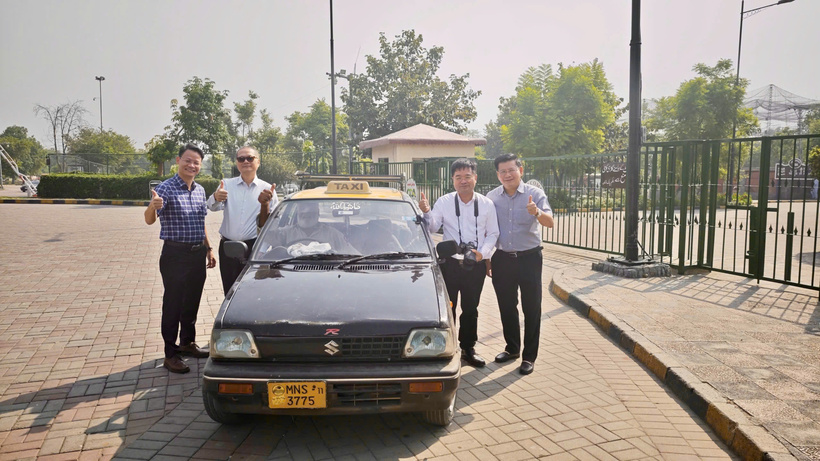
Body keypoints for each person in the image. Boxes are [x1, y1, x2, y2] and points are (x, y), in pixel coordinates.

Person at [418, 158, 499, 368]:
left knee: (471, 308)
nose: (463, 181)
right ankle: (448, 348)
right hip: (450, 264)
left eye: (467, 176)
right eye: (458, 177)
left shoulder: (486, 204)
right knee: (448, 307)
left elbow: (493, 234)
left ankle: (468, 349)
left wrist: (482, 254)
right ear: (452, 180)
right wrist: (426, 211)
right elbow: (433, 227)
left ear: (475, 178)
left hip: (475, 263)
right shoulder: (444, 201)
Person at [144, 143, 217, 374]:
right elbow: (149, 220)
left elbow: (201, 221)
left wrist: (209, 248)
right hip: (175, 254)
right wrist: (151, 206)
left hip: (197, 253)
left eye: (196, 162)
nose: (192, 165)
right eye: (188, 160)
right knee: (173, 304)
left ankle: (187, 342)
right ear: (178, 160)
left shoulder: (199, 190)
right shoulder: (165, 189)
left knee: (192, 301)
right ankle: (170, 353)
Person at [486, 153, 554, 375]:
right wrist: (487, 258)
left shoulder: (535, 194)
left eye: (511, 170)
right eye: (502, 171)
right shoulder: (492, 197)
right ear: (498, 174)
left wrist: (537, 212)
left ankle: (529, 357)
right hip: (502, 258)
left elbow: (550, 222)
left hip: (529, 258)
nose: (507, 174)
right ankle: (512, 348)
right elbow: (487, 231)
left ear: (521, 171)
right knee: (506, 306)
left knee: (531, 308)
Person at [206, 146, 278, 295]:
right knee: (229, 291)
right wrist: (215, 197)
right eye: (241, 158)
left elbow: (272, 224)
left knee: (253, 291)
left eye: (250, 158)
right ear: (237, 163)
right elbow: (211, 207)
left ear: (258, 162)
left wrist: (263, 251)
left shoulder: (267, 189)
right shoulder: (226, 185)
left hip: (255, 247)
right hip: (228, 247)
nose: (245, 161)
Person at [258, 201, 356, 256]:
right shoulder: (286, 233)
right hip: (290, 271)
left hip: (327, 272)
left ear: (318, 214)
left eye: (310, 213)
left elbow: (352, 254)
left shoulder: (333, 234)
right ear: (297, 214)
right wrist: (264, 205)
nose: (306, 215)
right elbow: (265, 235)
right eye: (303, 213)